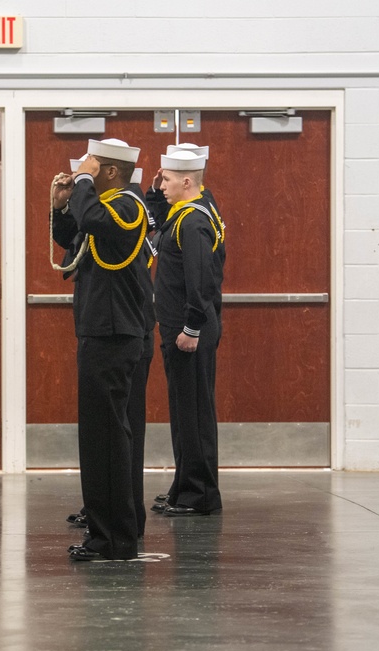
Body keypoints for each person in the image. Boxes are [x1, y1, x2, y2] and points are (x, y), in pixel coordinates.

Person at [49, 138, 152, 561]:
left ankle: (113, 539)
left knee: (106, 439)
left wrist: (85, 185)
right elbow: (73, 237)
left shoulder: (128, 205)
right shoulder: (106, 210)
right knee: (100, 437)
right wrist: (60, 206)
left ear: (109, 172)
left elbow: (93, 217)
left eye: (89, 167)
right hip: (101, 330)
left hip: (113, 334)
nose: (79, 174)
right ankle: (109, 530)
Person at [145, 144, 227, 511]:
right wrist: (154, 195)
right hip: (180, 329)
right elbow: (162, 232)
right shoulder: (190, 211)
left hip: (188, 332)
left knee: (193, 412)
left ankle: (200, 495)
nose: (161, 184)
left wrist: (192, 327)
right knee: (184, 410)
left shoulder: (193, 221)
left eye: (167, 179)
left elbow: (201, 279)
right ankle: (186, 486)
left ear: (187, 181)